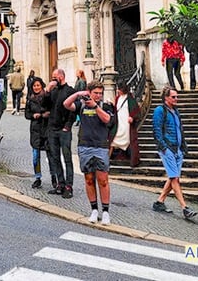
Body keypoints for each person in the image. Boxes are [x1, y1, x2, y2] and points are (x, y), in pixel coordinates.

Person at [63, 81, 117, 225]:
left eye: (100, 93)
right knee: (88, 178)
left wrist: (95, 107)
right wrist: (79, 94)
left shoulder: (106, 106)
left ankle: (105, 211)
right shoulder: (82, 105)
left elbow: (108, 120)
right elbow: (66, 105)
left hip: (101, 146)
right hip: (85, 146)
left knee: (103, 179)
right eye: (96, 93)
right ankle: (94, 209)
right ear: (90, 92)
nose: (98, 96)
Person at [152, 87, 198, 219]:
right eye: (173, 97)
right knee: (175, 178)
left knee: (173, 177)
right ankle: (184, 207)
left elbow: (180, 130)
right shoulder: (160, 111)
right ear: (166, 98)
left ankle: (159, 202)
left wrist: (183, 147)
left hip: (177, 149)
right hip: (168, 148)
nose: (176, 99)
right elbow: (156, 130)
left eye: (177, 96)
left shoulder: (176, 111)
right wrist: (163, 147)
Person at [45, 68, 76, 198]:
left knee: (67, 158)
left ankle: (69, 186)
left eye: (54, 77)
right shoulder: (53, 91)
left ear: (61, 77)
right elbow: (45, 105)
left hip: (64, 130)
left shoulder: (70, 91)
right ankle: (60, 183)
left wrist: (68, 126)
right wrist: (47, 91)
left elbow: (74, 110)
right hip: (52, 128)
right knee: (55, 157)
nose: (52, 79)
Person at [25, 77, 55, 189]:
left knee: (50, 155)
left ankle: (54, 177)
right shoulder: (30, 99)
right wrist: (33, 116)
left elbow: (51, 111)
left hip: (46, 129)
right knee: (35, 156)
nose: (36, 87)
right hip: (35, 130)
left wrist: (44, 115)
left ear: (42, 86)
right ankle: (38, 178)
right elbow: (27, 114)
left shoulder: (47, 97)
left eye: (38, 85)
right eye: (34, 86)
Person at [109, 82, 141, 167]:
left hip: (126, 123)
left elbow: (136, 110)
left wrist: (132, 117)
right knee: (113, 141)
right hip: (119, 122)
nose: (118, 91)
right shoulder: (117, 98)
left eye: (119, 89)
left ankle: (133, 160)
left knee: (128, 140)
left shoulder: (130, 99)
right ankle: (106, 161)